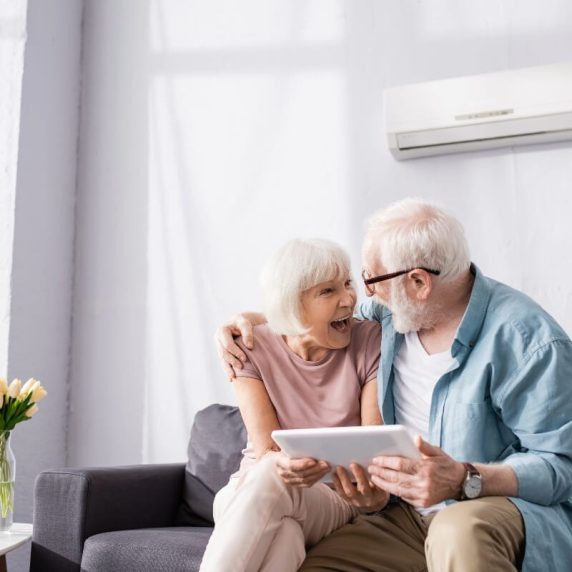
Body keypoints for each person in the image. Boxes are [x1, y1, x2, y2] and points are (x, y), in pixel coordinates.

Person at [215, 198, 572, 572]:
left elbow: (562, 465)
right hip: (404, 517)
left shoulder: (527, 341)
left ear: (418, 282)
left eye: (370, 279)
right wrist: (242, 323)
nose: (362, 295)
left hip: (484, 508)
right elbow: (308, 317)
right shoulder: (390, 318)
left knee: (456, 530)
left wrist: (465, 478)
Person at [200, 238, 386, 572]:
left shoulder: (369, 340)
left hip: (333, 497)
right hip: (252, 489)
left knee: (271, 478)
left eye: (347, 283)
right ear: (293, 305)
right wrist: (281, 465)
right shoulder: (249, 347)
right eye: (327, 292)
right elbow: (267, 448)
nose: (348, 299)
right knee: (284, 534)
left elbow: (370, 446)